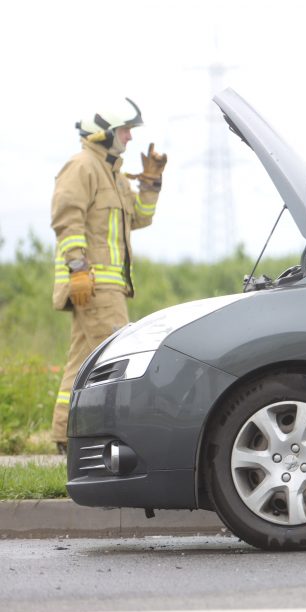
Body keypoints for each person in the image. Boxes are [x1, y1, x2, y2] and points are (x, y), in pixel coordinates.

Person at [49, 98, 167, 454]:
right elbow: (66, 218)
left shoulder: (113, 175)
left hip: (108, 287)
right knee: (116, 361)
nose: (130, 138)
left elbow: (140, 219)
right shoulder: (82, 166)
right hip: (94, 284)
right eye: (125, 130)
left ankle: (63, 437)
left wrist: (150, 184)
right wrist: (77, 269)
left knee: (81, 361)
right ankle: (111, 440)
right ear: (105, 134)